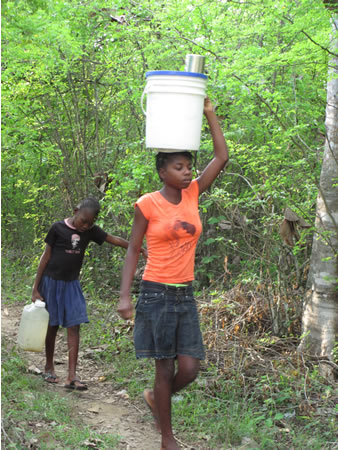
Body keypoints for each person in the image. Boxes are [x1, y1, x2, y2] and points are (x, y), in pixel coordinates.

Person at [118, 98, 229, 449]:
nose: (186, 172)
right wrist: (124, 295)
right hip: (155, 293)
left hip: (185, 293)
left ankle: (155, 398)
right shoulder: (147, 204)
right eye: (178, 167)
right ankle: (167, 438)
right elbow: (134, 248)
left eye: (188, 167)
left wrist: (210, 114)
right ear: (162, 171)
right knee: (164, 368)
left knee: (190, 368)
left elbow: (222, 158)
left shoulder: (193, 193)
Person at [32, 197, 145, 390]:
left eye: (90, 223)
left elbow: (113, 239)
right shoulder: (58, 228)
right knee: (52, 325)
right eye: (84, 220)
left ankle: (72, 376)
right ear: (76, 211)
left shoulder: (91, 231)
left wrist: (136, 248)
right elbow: (46, 256)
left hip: (72, 285)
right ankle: (49, 365)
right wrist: (36, 286)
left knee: (74, 325)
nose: (86, 225)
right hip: (51, 283)